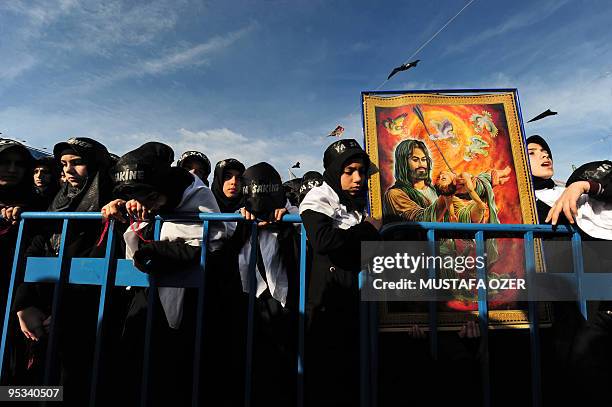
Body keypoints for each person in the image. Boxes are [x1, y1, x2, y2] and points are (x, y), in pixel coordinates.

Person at [102, 142, 225, 406]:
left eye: (151, 196)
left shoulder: (195, 194)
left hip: (195, 300)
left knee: (178, 370)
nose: (148, 203)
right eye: (140, 196)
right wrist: (120, 209)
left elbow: (210, 239)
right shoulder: (147, 201)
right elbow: (137, 225)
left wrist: (160, 250)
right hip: (145, 296)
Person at [12, 137, 113, 404]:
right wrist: (23, 304)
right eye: (64, 164)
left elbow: (98, 261)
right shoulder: (56, 202)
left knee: (74, 387)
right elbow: (35, 248)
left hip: (83, 314)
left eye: (77, 162)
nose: (68, 170)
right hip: (41, 313)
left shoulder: (110, 209)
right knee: (27, 387)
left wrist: (64, 309)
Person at [299, 139, 381, 407]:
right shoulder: (319, 197)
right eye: (349, 171)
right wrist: (367, 230)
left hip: (354, 301)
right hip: (327, 303)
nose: (358, 178)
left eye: (362, 171)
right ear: (335, 172)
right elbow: (324, 240)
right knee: (327, 380)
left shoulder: (355, 204)